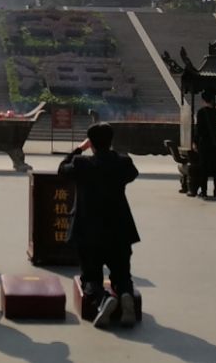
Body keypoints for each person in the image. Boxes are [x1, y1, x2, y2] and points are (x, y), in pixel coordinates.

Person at [59, 123, 140, 329]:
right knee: (122, 273)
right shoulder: (123, 163)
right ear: (111, 141)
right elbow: (132, 172)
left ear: (91, 143)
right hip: (119, 229)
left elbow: (61, 169)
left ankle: (103, 300)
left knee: (91, 276)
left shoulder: (81, 164)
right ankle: (125, 294)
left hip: (89, 230)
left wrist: (80, 149)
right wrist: (110, 152)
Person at [191, 92, 216, 199]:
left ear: (203, 100)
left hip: (204, 143)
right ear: (213, 100)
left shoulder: (201, 112)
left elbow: (198, 129)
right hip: (214, 143)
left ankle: (204, 192)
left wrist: (195, 142)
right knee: (215, 169)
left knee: (203, 168)